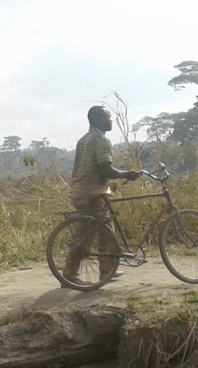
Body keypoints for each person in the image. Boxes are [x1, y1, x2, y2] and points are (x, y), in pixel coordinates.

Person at [62, 106, 141, 285]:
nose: (111, 120)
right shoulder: (101, 140)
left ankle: (106, 271)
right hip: (90, 192)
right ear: (98, 119)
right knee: (92, 234)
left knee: (100, 230)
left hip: (80, 190)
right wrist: (127, 174)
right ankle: (71, 276)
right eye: (108, 117)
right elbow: (105, 168)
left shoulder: (84, 139)